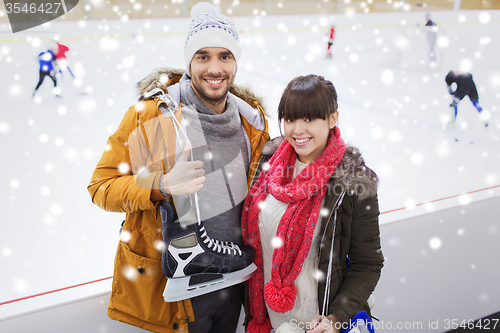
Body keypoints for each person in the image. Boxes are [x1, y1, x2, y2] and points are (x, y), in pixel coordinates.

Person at [87, 2, 269, 332]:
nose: (215, 68)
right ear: (189, 62)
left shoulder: (251, 122)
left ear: (236, 62)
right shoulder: (154, 115)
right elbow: (101, 187)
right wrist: (162, 184)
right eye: (203, 57)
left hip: (235, 278)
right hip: (179, 292)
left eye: (224, 56)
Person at [241, 75, 384, 333]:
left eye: (309, 119)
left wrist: (336, 318)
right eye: (290, 118)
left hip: (318, 324)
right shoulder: (268, 165)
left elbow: (368, 265)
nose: (297, 130)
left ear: (332, 118)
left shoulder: (352, 183)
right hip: (269, 319)